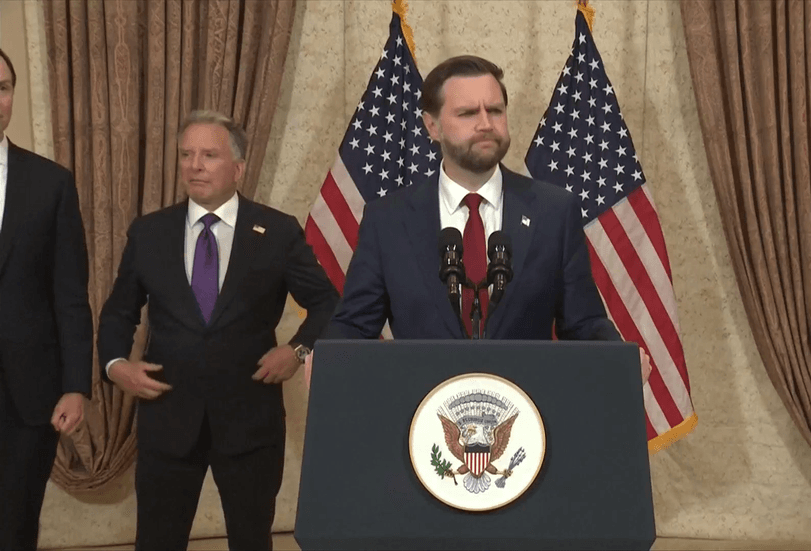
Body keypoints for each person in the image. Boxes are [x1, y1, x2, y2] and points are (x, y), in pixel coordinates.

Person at [98, 110, 339, 551]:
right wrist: (116, 365)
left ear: (238, 168)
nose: (195, 166)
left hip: (249, 423)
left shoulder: (277, 231)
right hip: (168, 418)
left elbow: (327, 303)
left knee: (251, 540)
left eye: (209, 155)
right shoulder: (150, 233)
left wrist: (297, 351)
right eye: (186, 154)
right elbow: (118, 312)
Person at [322, 54, 652, 377]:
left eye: (495, 110)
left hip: (525, 402)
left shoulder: (554, 212)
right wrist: (324, 361)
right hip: (423, 404)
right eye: (467, 113)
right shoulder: (388, 220)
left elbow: (583, 323)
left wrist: (619, 357)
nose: (485, 124)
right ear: (432, 127)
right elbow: (354, 326)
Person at [0, 48, 93, 550]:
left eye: (2, 88)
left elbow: (70, 295)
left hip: (26, 396)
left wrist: (76, 385)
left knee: (14, 529)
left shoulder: (50, 183)